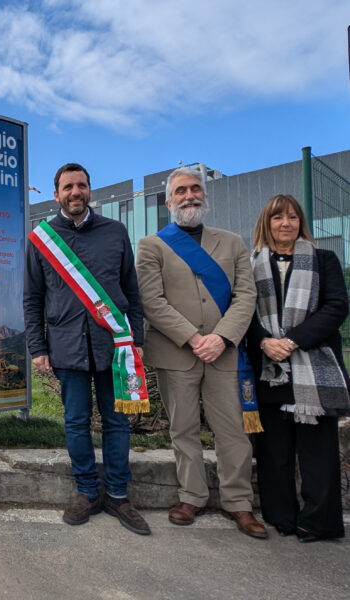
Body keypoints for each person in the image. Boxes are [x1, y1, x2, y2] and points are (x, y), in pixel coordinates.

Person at [136, 166, 267, 538]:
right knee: (184, 429)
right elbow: (152, 301)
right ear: (168, 201)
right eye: (181, 191)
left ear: (205, 197)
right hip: (177, 352)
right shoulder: (151, 246)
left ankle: (239, 502)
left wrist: (221, 338)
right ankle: (191, 496)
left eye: (195, 189)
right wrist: (194, 338)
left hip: (225, 353)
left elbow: (246, 297)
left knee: (234, 432)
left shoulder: (231, 242)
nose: (189, 195)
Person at [24, 163, 151, 536]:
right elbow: (32, 299)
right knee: (76, 422)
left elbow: (132, 291)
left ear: (90, 190)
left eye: (81, 185)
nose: (75, 192)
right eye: (68, 187)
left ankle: (117, 494)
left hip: (113, 347)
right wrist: (37, 347)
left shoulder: (115, 232)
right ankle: (86, 491)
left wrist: (138, 340)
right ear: (56, 194)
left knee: (116, 422)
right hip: (66, 347)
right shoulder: (41, 239)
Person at [246, 194, 349, 542]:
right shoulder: (251, 265)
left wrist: (291, 342)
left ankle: (319, 522)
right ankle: (282, 517)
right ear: (267, 223)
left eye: (292, 217)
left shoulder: (324, 260)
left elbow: (336, 307)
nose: (285, 224)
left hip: (313, 369)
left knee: (318, 454)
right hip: (269, 370)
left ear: (300, 222)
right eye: (277, 218)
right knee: (274, 452)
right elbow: (245, 313)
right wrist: (264, 341)